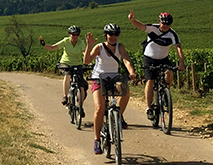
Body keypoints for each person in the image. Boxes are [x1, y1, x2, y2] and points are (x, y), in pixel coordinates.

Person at [83, 23, 137, 154]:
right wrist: (89, 45)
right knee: (100, 108)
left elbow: (126, 60)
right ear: (105, 35)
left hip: (114, 78)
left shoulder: (120, 47)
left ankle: (119, 116)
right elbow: (87, 61)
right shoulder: (99, 47)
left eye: (116, 34)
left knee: (125, 91)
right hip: (98, 79)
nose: (113, 37)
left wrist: (131, 72)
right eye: (110, 34)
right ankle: (96, 140)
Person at [128, 10, 186, 122]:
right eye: (163, 23)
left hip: (163, 59)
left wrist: (181, 62)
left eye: (168, 24)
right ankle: (149, 108)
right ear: (159, 22)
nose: (165, 26)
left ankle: (166, 91)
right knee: (150, 81)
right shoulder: (153, 28)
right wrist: (132, 20)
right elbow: (141, 26)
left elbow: (178, 48)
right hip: (149, 59)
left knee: (169, 72)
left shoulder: (172, 34)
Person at [39, 25, 88, 108]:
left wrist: (88, 61)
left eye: (77, 35)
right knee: (67, 75)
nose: (75, 36)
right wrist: (44, 45)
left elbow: (84, 52)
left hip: (77, 63)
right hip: (66, 63)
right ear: (69, 35)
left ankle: (80, 106)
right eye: (73, 34)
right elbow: (52, 47)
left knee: (82, 86)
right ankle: (65, 96)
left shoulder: (81, 42)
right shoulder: (66, 41)